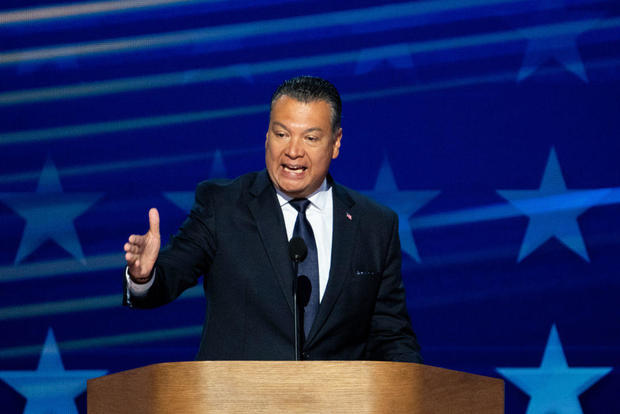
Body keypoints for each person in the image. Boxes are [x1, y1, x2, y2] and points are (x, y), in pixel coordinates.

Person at [123, 76, 422, 362]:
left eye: (311, 138)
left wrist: (413, 395)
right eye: (281, 134)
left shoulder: (375, 225)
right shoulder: (223, 205)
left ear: (336, 142)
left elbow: (392, 336)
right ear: (267, 135)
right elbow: (171, 274)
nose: (293, 151)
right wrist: (143, 276)